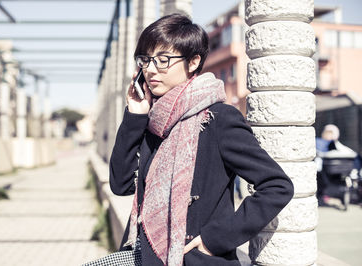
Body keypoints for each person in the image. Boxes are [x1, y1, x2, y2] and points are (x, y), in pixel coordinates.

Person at [108, 14, 294, 266]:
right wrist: (133, 117)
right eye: (145, 60)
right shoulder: (152, 122)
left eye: (163, 60)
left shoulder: (218, 119)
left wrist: (214, 239)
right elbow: (121, 184)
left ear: (193, 62)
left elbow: (277, 186)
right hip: (145, 256)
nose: (150, 69)